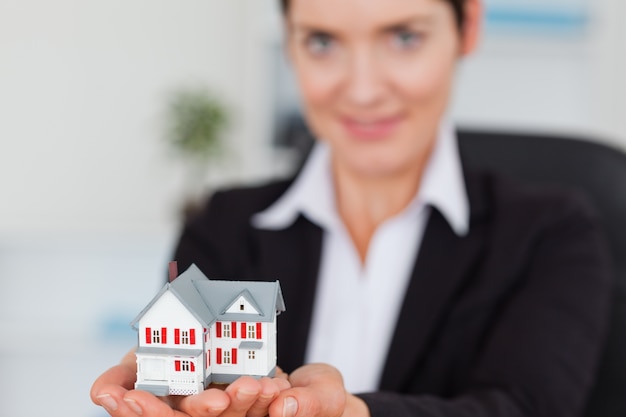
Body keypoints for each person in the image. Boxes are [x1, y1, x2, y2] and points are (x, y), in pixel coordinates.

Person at [91, 0, 613, 416]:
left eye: (404, 37)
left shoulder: (550, 233)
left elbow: (525, 407)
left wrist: (352, 415)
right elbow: (194, 378)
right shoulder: (223, 227)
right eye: (322, 42)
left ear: (467, 25)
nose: (362, 90)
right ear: (290, 43)